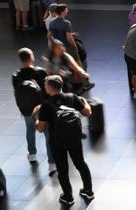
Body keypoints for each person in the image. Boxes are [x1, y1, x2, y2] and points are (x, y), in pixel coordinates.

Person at [34, 75, 94, 206]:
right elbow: (88, 113)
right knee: (80, 163)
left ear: (50, 88)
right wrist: (84, 102)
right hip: (75, 139)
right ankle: (88, 191)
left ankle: (68, 197)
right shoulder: (72, 97)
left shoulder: (46, 106)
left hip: (58, 143)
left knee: (62, 170)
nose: (44, 87)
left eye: (45, 85)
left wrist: (36, 117)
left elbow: (40, 128)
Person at [12, 48, 56, 173]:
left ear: (21, 60)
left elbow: (16, 92)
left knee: (30, 130)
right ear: (31, 58)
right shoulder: (40, 72)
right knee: (48, 134)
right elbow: (48, 91)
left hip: (27, 109)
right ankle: (52, 163)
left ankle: (32, 154)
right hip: (43, 108)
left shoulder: (16, 75)